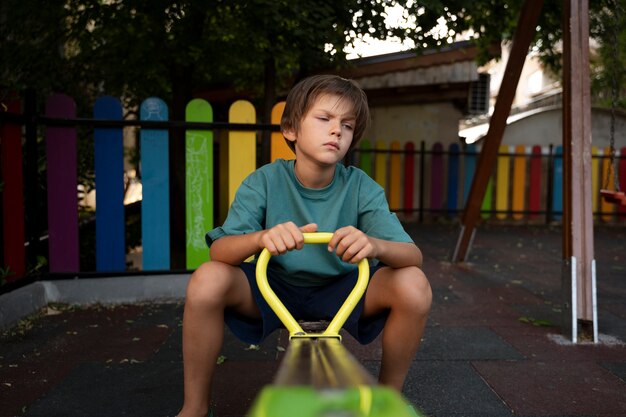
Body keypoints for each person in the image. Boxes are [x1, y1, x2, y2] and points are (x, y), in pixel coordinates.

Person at [177, 74, 432, 417]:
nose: (336, 130)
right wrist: (261, 238)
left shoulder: (361, 187)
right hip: (275, 288)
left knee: (414, 284)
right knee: (208, 279)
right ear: (290, 130)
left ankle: (388, 401)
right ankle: (193, 408)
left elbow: (411, 254)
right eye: (324, 118)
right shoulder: (264, 181)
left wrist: (373, 244)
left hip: (345, 289)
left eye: (347, 125)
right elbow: (219, 250)